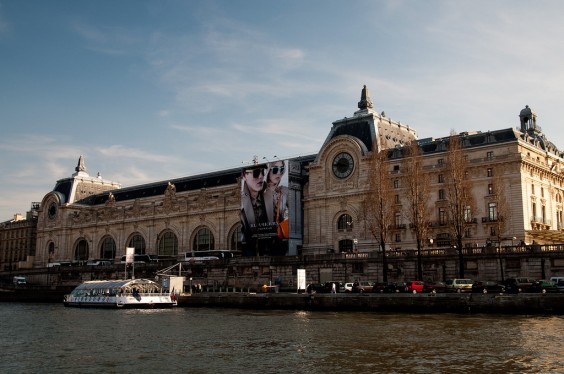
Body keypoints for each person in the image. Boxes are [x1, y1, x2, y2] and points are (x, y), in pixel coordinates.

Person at [241, 164, 275, 254]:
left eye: (263, 172)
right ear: (244, 176)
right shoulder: (240, 203)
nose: (260, 176)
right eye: (256, 173)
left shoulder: (273, 196)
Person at [264, 160, 289, 239]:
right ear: (267, 171)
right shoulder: (258, 193)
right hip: (263, 236)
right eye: (275, 170)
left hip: (281, 235)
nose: (279, 173)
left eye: (281, 169)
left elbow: (293, 214)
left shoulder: (284, 191)